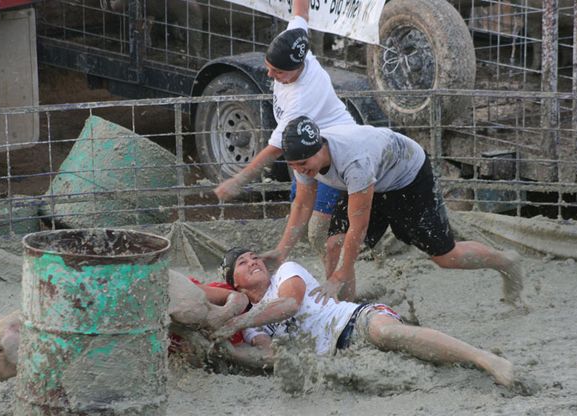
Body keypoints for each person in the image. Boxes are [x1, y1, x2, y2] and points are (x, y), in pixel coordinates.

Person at [263, 116, 523, 306]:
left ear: (320, 147)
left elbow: (359, 227)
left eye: (303, 163)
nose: (299, 170)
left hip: (408, 178)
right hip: (372, 181)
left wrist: (341, 274)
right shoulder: (304, 162)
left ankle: (505, 262)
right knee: (334, 244)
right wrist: (281, 251)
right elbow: (302, 205)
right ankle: (344, 311)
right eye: (293, 165)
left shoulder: (354, 161)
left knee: (445, 256)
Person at [212, 248, 515, 388]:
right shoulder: (255, 323)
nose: (253, 262)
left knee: (389, 335)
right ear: (234, 282)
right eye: (243, 262)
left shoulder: (286, 273)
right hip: (339, 358)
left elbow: (290, 304)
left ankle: (485, 359)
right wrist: (226, 350)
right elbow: (269, 354)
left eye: (255, 257)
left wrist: (237, 322)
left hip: (354, 321)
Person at [213, 0, 357, 260]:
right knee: (300, 209)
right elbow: (300, 12)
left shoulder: (301, 98)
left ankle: (338, 277)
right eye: (268, 66)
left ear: (297, 69)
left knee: (318, 230)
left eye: (277, 72)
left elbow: (273, 150)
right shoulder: (293, 39)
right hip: (305, 144)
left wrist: (238, 181)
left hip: (334, 152)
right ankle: (290, 256)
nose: (269, 75)